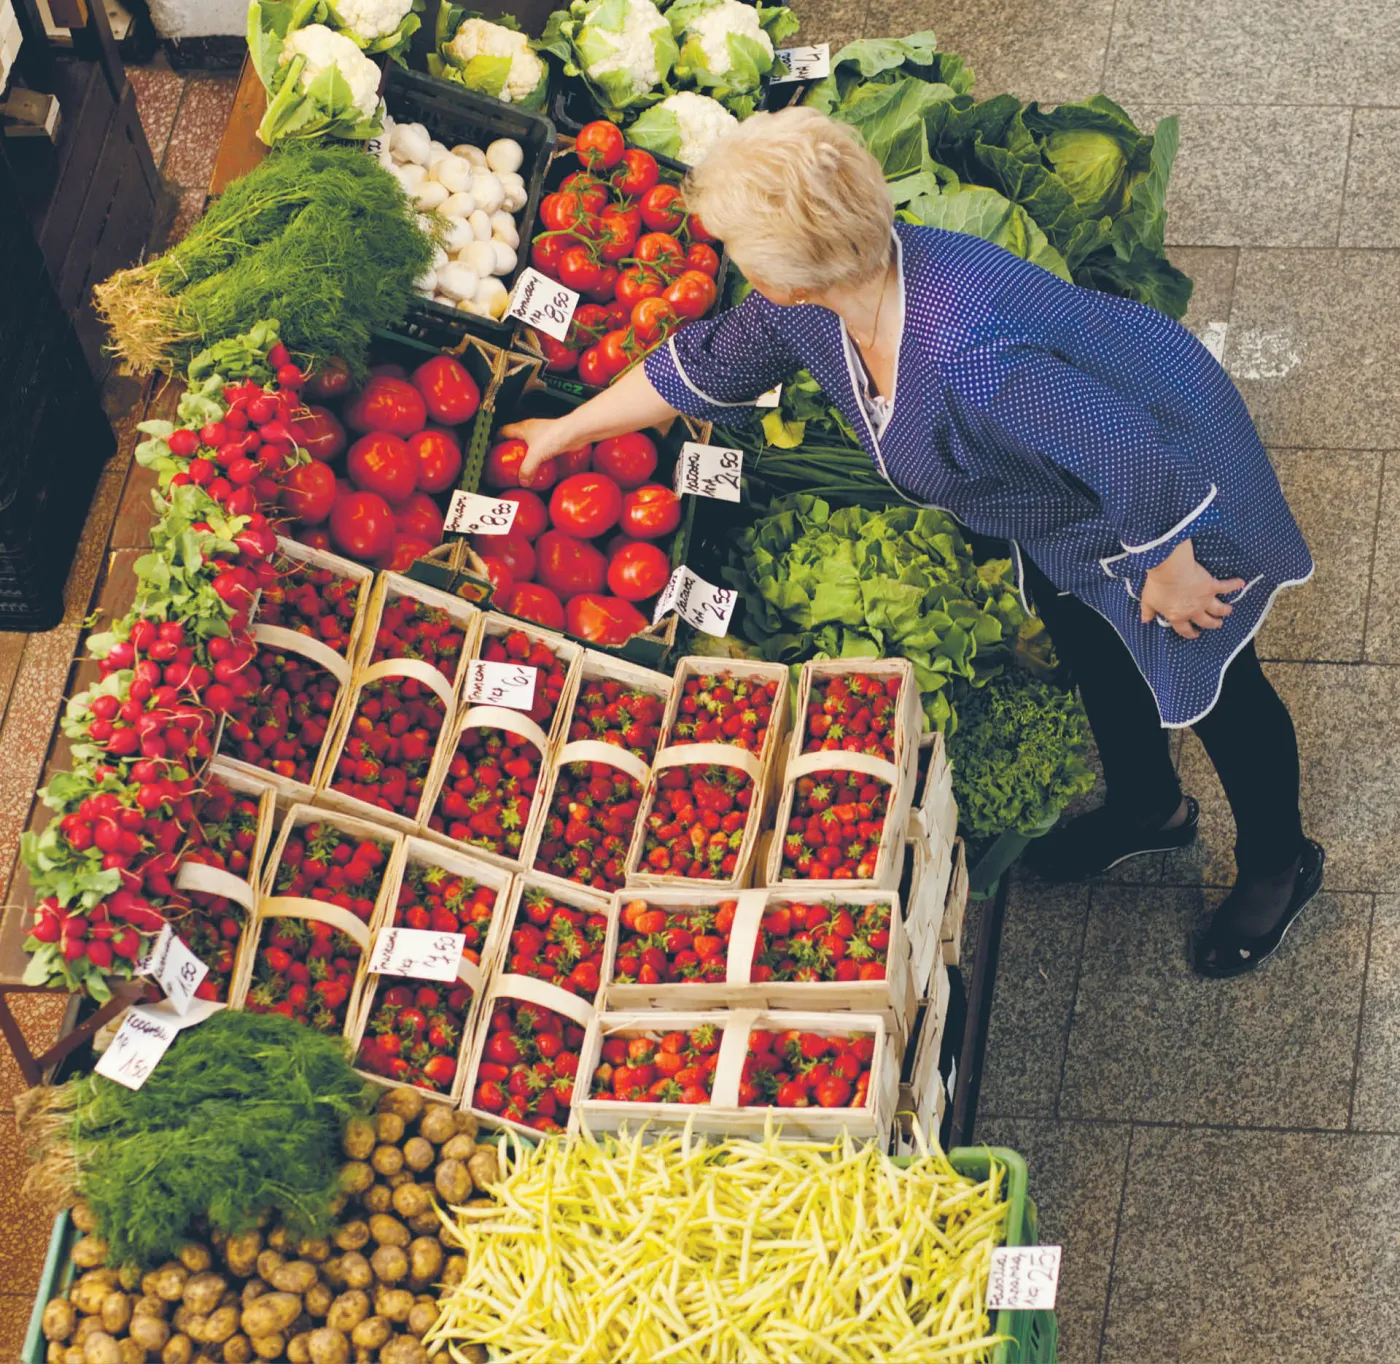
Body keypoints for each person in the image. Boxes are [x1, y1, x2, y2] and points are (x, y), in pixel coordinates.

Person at [504, 105, 1322, 979]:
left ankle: (1281, 862)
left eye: (737, 245)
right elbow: (707, 364)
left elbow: (1123, 447)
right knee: (1092, 637)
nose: (733, 260)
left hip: (1168, 482)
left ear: (784, 274)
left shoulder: (970, 351)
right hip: (1059, 504)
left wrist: (1172, 565)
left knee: (1219, 677)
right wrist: (564, 432)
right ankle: (1150, 806)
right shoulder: (825, 300)